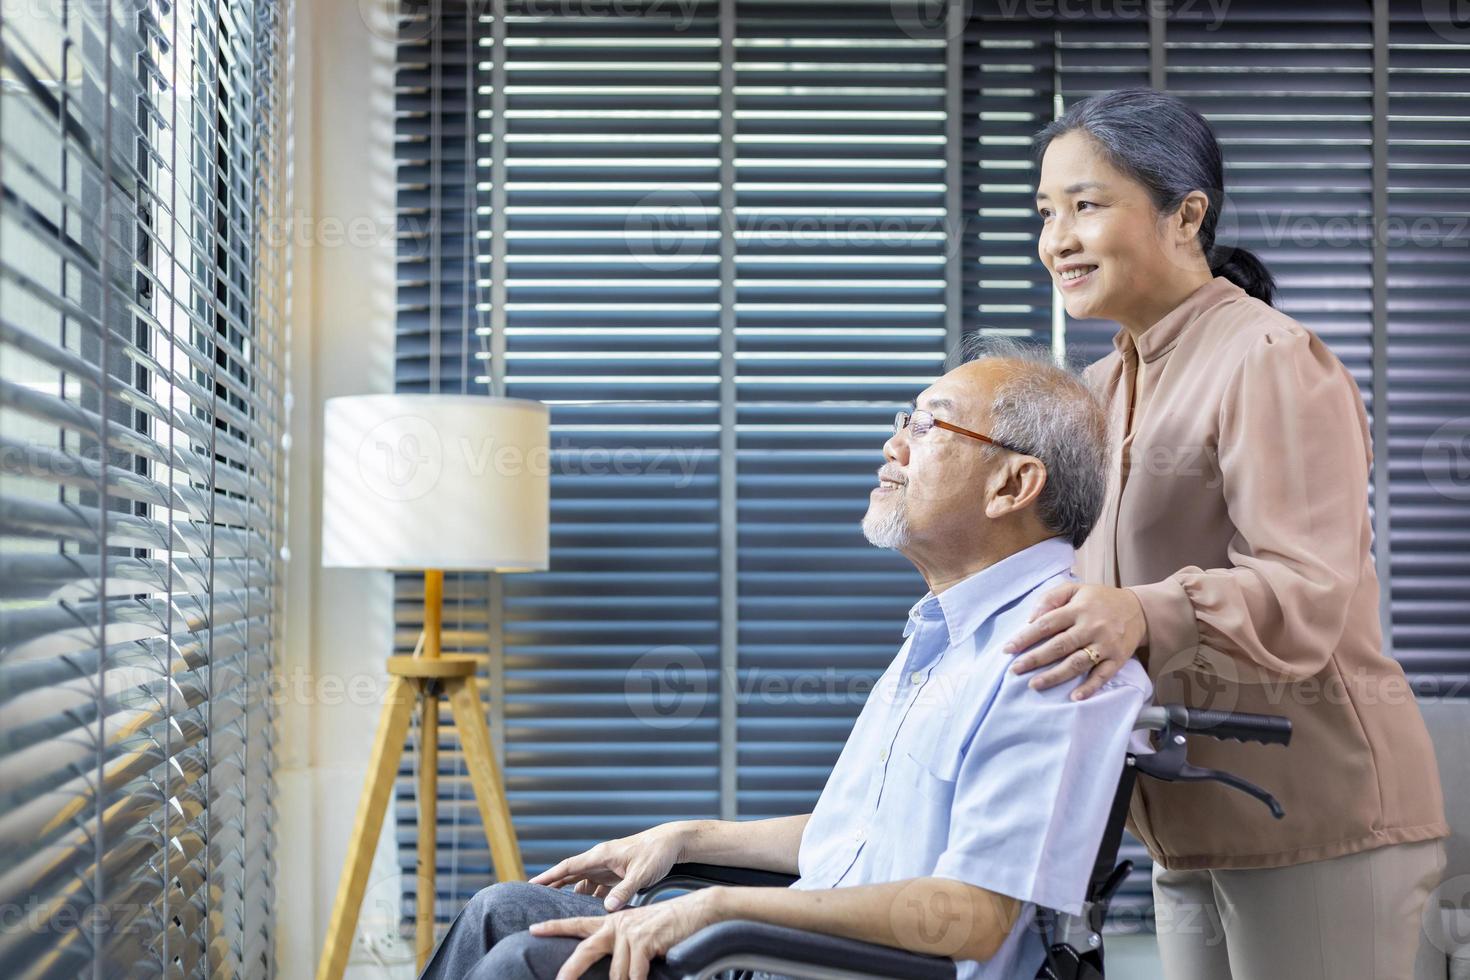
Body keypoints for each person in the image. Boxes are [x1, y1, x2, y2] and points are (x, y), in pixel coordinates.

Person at [416, 342, 1151, 980]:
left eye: (927, 425)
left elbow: (975, 915)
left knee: (528, 967)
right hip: (784, 953)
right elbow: (864, 833)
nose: (894, 444)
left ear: (1014, 485)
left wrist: (716, 906)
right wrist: (686, 839)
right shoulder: (947, 631)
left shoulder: (1055, 654)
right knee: (499, 913)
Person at [1003, 87, 1449, 980]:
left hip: (1317, 819)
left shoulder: (1269, 359)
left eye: (1086, 206)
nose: (1057, 239)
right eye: (1047, 213)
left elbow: (1305, 590)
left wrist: (1141, 613)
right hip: (1189, 820)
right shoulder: (1098, 388)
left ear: (1185, 215)